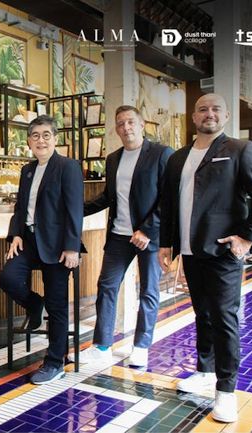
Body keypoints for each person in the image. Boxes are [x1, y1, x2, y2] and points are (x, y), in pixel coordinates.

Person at [159, 93, 252, 423]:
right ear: (193, 117)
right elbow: (169, 203)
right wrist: (167, 244)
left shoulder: (240, 150)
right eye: (202, 109)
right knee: (203, 314)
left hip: (223, 250)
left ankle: (226, 390)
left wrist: (247, 237)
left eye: (215, 109)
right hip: (190, 250)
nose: (208, 114)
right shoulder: (178, 158)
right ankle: (205, 371)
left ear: (225, 116)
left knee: (224, 318)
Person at [81, 106, 172, 367]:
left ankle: (141, 346)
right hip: (119, 236)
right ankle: (102, 346)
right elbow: (108, 197)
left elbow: (169, 197)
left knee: (148, 291)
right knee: (107, 287)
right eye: (120, 123)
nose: (126, 127)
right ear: (116, 129)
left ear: (142, 124)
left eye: (130, 122)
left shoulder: (161, 154)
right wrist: (74, 210)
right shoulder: (113, 159)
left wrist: (148, 230)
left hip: (149, 236)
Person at [0, 115, 84, 385]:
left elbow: (75, 209)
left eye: (46, 135)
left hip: (58, 246)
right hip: (29, 242)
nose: (41, 140)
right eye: (35, 135)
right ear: (28, 141)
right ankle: (35, 304)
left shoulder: (68, 167)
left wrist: (72, 247)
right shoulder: (27, 170)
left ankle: (55, 362)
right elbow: (20, 208)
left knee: (57, 303)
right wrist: (15, 234)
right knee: (8, 278)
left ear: (55, 139)